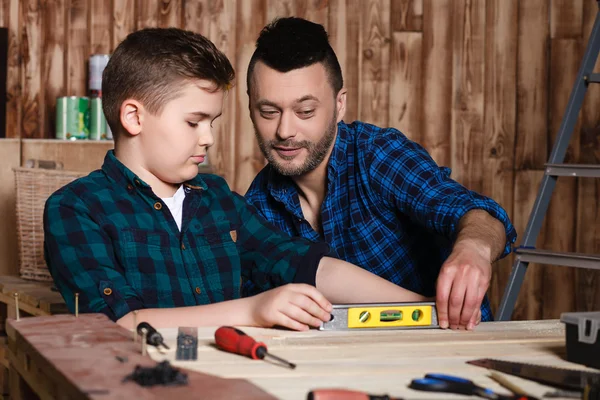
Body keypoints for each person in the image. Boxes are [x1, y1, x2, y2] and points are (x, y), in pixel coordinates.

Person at [43, 27, 430, 332]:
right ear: (134, 117)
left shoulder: (219, 200)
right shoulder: (76, 208)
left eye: (212, 122)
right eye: (194, 122)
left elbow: (307, 266)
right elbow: (121, 323)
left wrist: (422, 310)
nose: (208, 137)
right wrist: (254, 310)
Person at [244, 17, 518, 330]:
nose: (285, 130)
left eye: (305, 111)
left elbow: (476, 213)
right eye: (269, 112)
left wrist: (473, 250)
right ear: (250, 108)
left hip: (443, 346)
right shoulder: (256, 206)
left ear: (339, 105)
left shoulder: (378, 155)